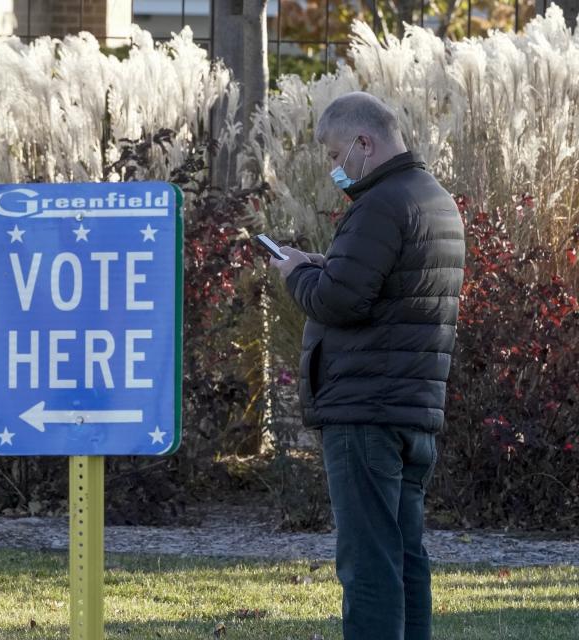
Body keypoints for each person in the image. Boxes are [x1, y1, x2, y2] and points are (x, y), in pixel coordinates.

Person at [268, 92, 465, 640]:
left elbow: (340, 301)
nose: (336, 166)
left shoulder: (379, 203)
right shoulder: (433, 199)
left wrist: (295, 275)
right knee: (404, 557)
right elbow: (388, 287)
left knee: (368, 564)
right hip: (411, 409)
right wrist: (326, 265)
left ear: (364, 142)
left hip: (365, 412)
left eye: (337, 152)